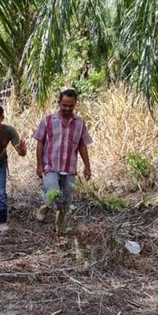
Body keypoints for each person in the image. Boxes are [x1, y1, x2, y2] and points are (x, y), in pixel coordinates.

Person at [33, 88, 92, 234]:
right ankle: (47, 205)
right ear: (59, 102)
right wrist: (39, 165)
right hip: (51, 165)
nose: (67, 108)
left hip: (69, 167)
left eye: (70, 106)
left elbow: (82, 145)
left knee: (66, 199)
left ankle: (59, 226)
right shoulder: (48, 120)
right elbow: (40, 142)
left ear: (75, 104)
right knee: (52, 190)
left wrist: (87, 166)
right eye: (64, 105)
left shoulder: (79, 123)